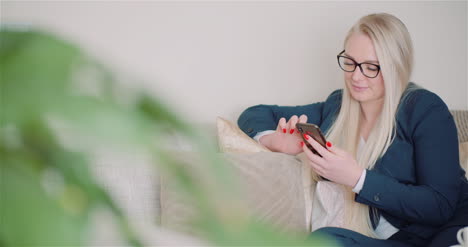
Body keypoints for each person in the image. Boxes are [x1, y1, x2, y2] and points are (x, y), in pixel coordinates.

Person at [237, 13, 468, 247]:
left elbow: (440, 205)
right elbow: (254, 114)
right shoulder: (337, 106)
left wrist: (358, 179)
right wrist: (271, 140)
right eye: (349, 62)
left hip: (437, 235)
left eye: (371, 67)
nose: (355, 76)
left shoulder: (424, 110)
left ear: (395, 68)